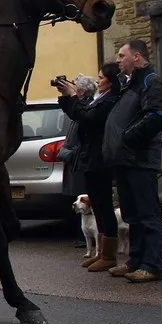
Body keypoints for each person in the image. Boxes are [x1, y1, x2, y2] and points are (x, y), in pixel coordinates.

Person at [102, 40, 162, 283]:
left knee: (147, 214)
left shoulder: (152, 82)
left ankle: (152, 265)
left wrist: (127, 138)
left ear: (137, 57)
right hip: (124, 160)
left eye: (122, 55)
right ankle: (135, 260)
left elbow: (156, 117)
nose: (118, 60)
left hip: (139, 159)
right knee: (131, 214)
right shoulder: (132, 84)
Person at [56, 63, 123, 271]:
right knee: (98, 205)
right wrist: (68, 97)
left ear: (110, 82)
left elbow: (87, 117)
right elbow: (79, 115)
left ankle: (109, 255)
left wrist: (72, 97)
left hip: (100, 158)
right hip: (91, 157)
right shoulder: (100, 99)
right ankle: (103, 252)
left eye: (101, 78)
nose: (98, 81)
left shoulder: (110, 100)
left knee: (104, 205)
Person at [54, 73, 100, 248]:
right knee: (78, 198)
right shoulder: (79, 106)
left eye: (75, 86)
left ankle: (87, 237)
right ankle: (84, 237)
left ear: (81, 90)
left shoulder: (87, 107)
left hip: (79, 160)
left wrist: (70, 153)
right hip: (74, 160)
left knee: (85, 198)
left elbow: (83, 132)